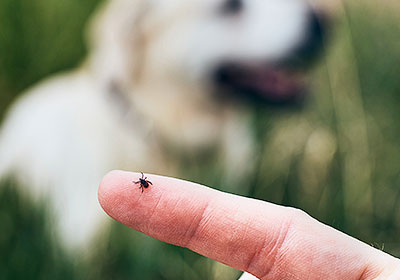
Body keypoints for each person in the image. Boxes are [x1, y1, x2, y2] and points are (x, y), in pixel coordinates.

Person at [98, 171, 400, 279]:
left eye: (142, 181)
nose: (143, 183)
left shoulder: (143, 184)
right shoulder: (144, 182)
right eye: (143, 181)